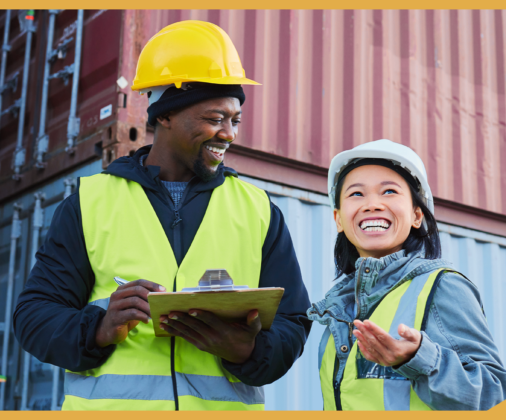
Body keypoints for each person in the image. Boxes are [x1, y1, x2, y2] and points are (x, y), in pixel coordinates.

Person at [13, 20, 311, 411]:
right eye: (214, 117)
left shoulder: (258, 210)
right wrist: (100, 328)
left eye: (234, 119)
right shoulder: (91, 203)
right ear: (165, 115)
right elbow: (34, 317)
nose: (229, 134)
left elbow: (294, 322)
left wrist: (250, 349)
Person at [308, 139, 506, 410]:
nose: (372, 204)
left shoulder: (442, 286)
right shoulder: (338, 309)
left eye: (389, 191)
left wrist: (419, 358)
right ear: (339, 219)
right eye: (356, 194)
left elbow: (494, 397)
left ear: (417, 215)